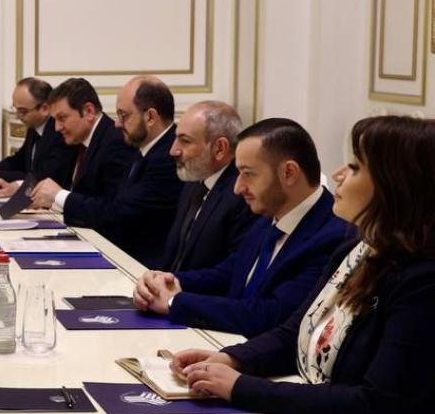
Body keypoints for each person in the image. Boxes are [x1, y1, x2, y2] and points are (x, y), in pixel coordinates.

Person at [173, 116, 435, 414]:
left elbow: (377, 404)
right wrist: (232, 359)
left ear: (396, 185)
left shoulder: (422, 281)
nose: (338, 173)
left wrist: (241, 387)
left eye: (356, 167)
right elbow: (294, 332)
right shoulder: (355, 249)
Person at [133, 118, 349, 336]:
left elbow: (269, 314)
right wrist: (166, 281)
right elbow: (229, 273)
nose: (237, 188)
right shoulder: (270, 214)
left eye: (249, 174)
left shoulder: (333, 235)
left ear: (289, 173)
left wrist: (174, 302)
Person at [29, 76, 181, 265]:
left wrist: (59, 196)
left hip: (139, 265)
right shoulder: (144, 149)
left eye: (123, 115)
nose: (117, 123)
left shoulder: (167, 157)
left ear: (150, 117)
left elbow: (120, 213)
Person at [159, 101, 259, 271]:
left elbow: (232, 272)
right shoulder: (194, 181)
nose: (173, 150)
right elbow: (174, 256)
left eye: (185, 141)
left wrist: (172, 283)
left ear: (220, 148)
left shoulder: (242, 195)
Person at [0, 77, 76, 197]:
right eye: (15, 109)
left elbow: (42, 177)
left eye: (23, 111)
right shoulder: (35, 126)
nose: (18, 116)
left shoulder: (60, 133)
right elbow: (20, 159)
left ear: (44, 108)